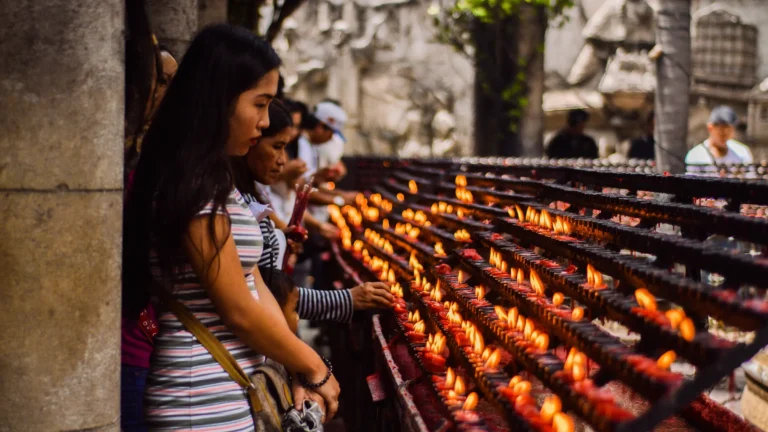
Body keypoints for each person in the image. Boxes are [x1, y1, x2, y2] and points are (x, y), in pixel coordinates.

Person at [123, 24, 339, 430]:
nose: (264, 122)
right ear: (219, 98)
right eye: (259, 104)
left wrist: (296, 364)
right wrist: (314, 366)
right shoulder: (189, 181)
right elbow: (238, 309)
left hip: (228, 392)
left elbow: (253, 283)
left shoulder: (217, 179)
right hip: (197, 402)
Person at [236, 100, 394, 320]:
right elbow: (259, 298)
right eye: (277, 147)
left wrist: (279, 237)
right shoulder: (229, 203)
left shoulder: (246, 195)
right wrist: (348, 299)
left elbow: (269, 291)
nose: (283, 160)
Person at [685, 105, 753, 168]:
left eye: (728, 133)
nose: (724, 138)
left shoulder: (742, 153)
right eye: (721, 134)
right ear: (710, 128)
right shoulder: (696, 155)